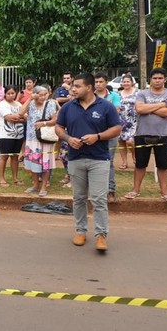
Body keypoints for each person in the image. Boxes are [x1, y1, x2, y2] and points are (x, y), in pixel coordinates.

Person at [55, 73, 121, 251]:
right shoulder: (68, 107)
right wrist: (68, 139)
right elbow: (58, 127)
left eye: (77, 86)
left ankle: (101, 235)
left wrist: (97, 137)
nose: (73, 89)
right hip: (75, 159)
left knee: (99, 199)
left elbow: (116, 128)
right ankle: (80, 231)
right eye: (73, 86)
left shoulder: (106, 106)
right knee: (79, 198)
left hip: (99, 159)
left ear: (89, 87)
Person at [124, 68, 167, 204]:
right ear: (150, 80)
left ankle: (165, 192)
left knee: (163, 165)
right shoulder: (142, 93)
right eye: (155, 78)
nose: (157, 81)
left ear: (165, 79)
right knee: (140, 164)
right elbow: (140, 109)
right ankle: (135, 190)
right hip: (142, 133)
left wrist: (149, 108)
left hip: (164, 134)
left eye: (160, 78)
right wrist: (160, 105)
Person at [20, 85, 57, 196]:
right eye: (41, 94)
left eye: (45, 94)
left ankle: (44, 187)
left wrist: (44, 123)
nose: (43, 97)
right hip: (32, 138)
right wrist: (30, 98)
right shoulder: (31, 104)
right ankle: (35, 185)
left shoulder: (50, 104)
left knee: (45, 164)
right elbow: (21, 113)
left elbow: (55, 120)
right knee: (33, 163)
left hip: (45, 138)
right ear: (35, 94)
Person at [94, 73, 121, 203]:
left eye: (101, 81)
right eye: (96, 82)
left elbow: (116, 111)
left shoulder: (114, 95)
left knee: (108, 161)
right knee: (93, 162)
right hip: (93, 134)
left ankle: (111, 190)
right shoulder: (90, 96)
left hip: (110, 132)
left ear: (106, 82)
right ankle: (96, 191)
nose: (98, 84)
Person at [0, 85, 25, 186]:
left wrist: (18, 118)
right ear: (5, 94)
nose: (11, 95)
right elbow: (9, 118)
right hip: (5, 135)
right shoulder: (2, 105)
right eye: (8, 93)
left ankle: (15, 178)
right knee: (4, 157)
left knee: (15, 157)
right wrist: (19, 117)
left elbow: (26, 117)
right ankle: (1, 178)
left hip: (18, 135)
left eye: (13, 93)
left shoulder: (18, 104)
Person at [118, 75, 138, 170]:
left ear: (132, 82)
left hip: (133, 121)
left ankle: (134, 156)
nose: (126, 83)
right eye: (124, 81)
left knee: (130, 141)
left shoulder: (137, 93)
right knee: (121, 141)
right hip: (121, 121)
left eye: (128, 81)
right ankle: (124, 162)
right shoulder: (118, 94)